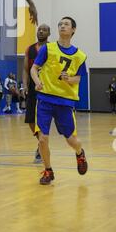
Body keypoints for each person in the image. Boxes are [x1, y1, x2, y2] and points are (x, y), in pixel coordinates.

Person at [31, 17, 88, 185]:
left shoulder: (80, 55)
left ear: (73, 30)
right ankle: (48, 171)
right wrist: (37, 82)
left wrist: (69, 79)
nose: (62, 26)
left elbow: (78, 78)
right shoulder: (48, 49)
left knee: (72, 141)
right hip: (45, 99)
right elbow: (34, 69)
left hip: (65, 102)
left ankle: (79, 153)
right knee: (42, 138)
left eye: (66, 24)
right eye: (60, 24)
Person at [23, 24, 50, 163]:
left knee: (44, 119)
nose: (40, 31)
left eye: (44, 30)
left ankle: (41, 146)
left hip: (48, 87)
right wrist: (24, 85)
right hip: (33, 87)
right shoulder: (30, 49)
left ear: (49, 33)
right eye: (39, 29)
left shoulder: (53, 49)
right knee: (30, 120)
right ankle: (41, 141)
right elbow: (26, 69)